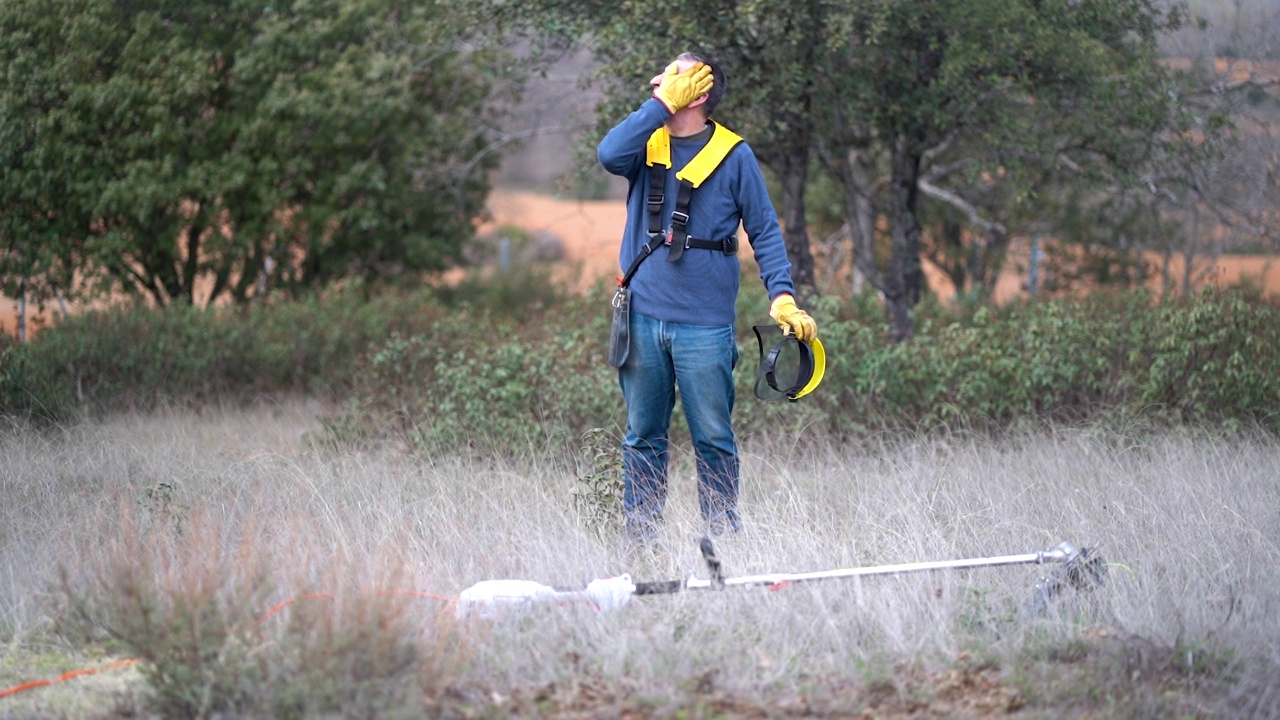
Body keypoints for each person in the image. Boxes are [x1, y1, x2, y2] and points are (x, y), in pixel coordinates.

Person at [596, 52, 818, 543]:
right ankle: (641, 541)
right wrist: (657, 105)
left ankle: (721, 540)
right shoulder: (645, 144)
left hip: (705, 326)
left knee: (714, 439)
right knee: (642, 438)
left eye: (674, 74)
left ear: (698, 92)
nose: (659, 78)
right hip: (643, 319)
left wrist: (782, 296)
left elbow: (764, 230)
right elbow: (608, 154)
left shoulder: (735, 155)